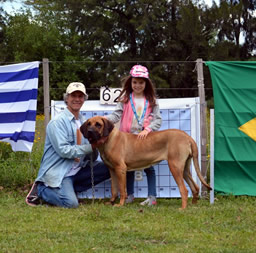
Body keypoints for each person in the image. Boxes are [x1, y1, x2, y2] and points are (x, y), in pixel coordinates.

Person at [26, 82, 110, 208]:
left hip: (78, 169)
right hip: (61, 172)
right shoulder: (57, 122)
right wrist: (91, 147)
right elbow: (64, 151)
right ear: (67, 98)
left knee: (110, 167)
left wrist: (98, 145)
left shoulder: (84, 122)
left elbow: (89, 153)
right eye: (73, 96)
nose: (77, 99)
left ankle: (68, 190)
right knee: (71, 204)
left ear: (84, 99)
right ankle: (41, 190)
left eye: (80, 96)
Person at [106, 65, 162, 206]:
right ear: (130, 82)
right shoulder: (125, 99)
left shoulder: (151, 100)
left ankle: (152, 197)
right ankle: (129, 195)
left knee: (149, 166)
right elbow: (116, 115)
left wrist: (148, 129)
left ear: (146, 84)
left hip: (145, 139)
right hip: (127, 140)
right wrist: (105, 120)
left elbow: (158, 119)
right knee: (127, 166)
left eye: (141, 82)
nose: (138, 85)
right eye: (135, 82)